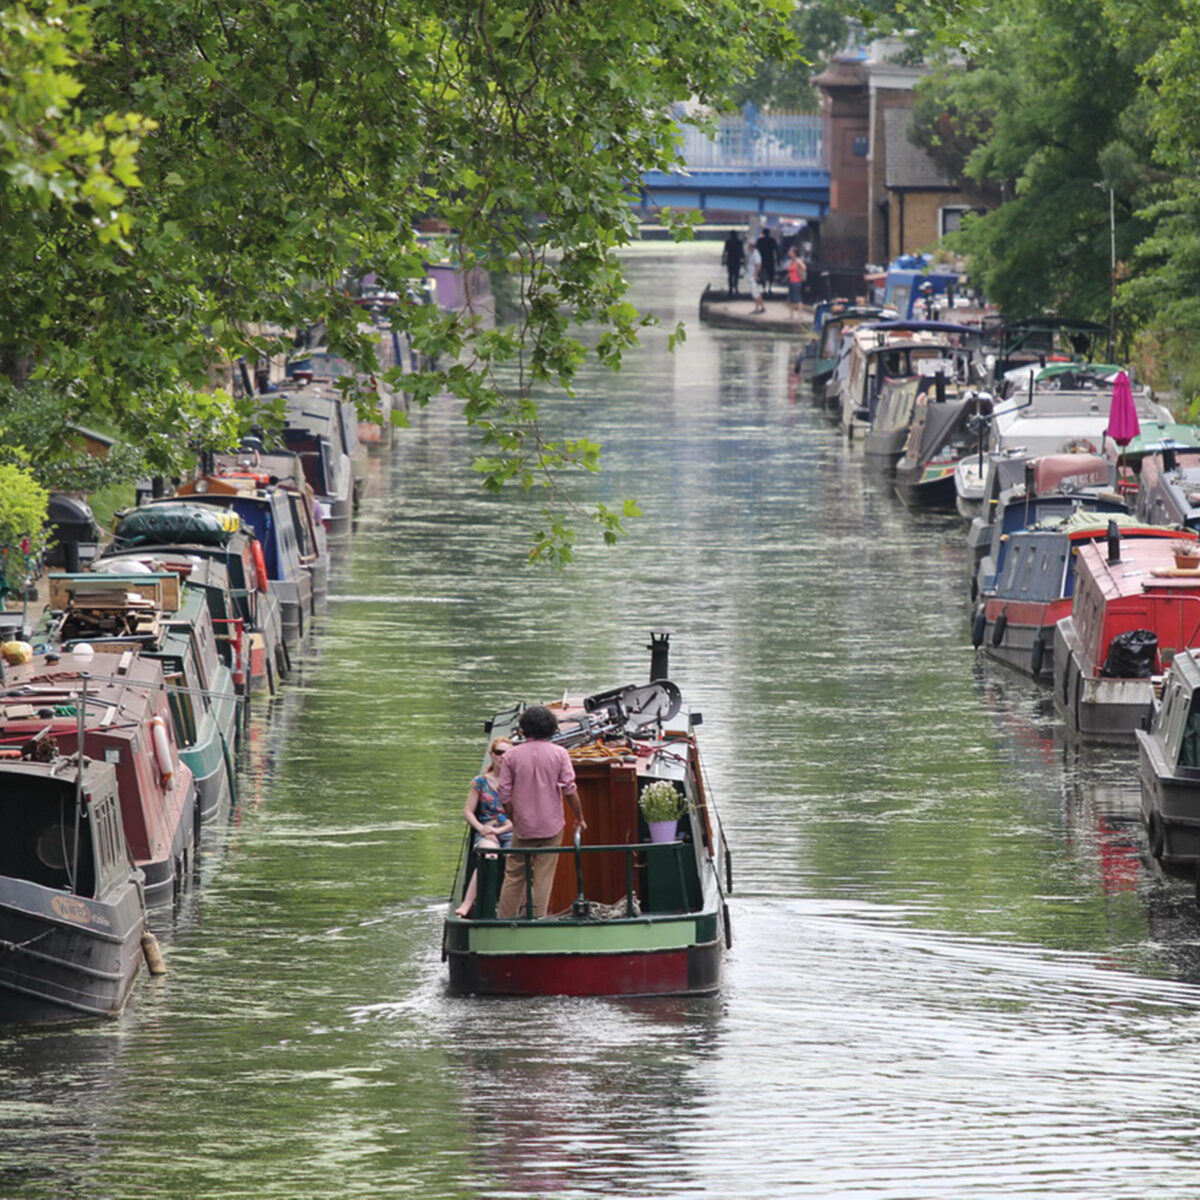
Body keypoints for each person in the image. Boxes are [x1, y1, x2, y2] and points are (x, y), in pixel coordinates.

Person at [495, 706, 586, 919]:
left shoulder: (511, 756)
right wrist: (580, 817)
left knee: (514, 875)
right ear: (551, 728)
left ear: (524, 729)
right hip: (551, 826)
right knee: (544, 877)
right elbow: (570, 789)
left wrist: (514, 818)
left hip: (523, 826)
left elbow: (504, 794)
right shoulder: (560, 753)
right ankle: (537, 921)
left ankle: (505, 920)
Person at [454, 737, 515, 917]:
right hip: (487, 831)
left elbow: (520, 817)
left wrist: (500, 830)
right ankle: (467, 904)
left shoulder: (518, 782)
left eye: (508, 753)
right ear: (492, 755)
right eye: (499, 753)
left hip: (510, 830)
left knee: (518, 858)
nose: (503, 757)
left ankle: (519, 907)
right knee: (488, 854)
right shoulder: (480, 782)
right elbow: (467, 812)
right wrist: (482, 829)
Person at [785, 246, 807, 319]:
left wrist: (799, 272)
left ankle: (800, 315)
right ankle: (791, 315)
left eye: (790, 252)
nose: (789, 253)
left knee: (798, 298)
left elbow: (804, 267)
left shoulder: (797, 261)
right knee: (791, 299)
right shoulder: (791, 261)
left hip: (796, 281)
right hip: (791, 281)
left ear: (794, 253)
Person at [756, 227, 778, 299]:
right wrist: (778, 259)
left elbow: (756, 250)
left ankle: (764, 289)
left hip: (763, 260)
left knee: (763, 275)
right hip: (769, 260)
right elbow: (777, 251)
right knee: (770, 275)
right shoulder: (772, 240)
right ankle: (769, 289)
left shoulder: (760, 240)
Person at [721, 231, 745, 296]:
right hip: (737, 260)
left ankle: (731, 289)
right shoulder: (739, 242)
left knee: (731, 275)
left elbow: (725, 251)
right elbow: (742, 252)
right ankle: (736, 288)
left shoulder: (728, 242)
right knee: (736, 275)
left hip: (730, 260)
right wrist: (743, 260)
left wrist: (723, 260)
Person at [749, 241, 765, 313]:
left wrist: (755, 274)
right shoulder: (752, 254)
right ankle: (762, 307)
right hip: (751, 275)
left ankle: (757, 308)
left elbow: (758, 265)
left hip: (754, 276)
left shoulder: (756, 254)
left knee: (755, 293)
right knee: (756, 292)